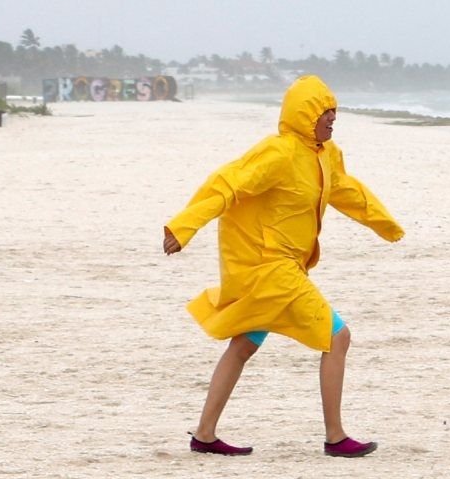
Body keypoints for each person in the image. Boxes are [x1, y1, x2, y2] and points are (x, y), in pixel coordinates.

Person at [162, 75, 403, 457]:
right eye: (325, 112)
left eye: (334, 112)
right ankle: (336, 436)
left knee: (243, 345)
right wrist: (183, 226)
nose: (332, 118)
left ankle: (204, 435)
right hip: (271, 269)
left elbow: (346, 191)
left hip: (287, 268)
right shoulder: (279, 153)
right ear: (305, 114)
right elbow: (228, 185)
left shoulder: (326, 155)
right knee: (337, 337)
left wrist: (385, 223)